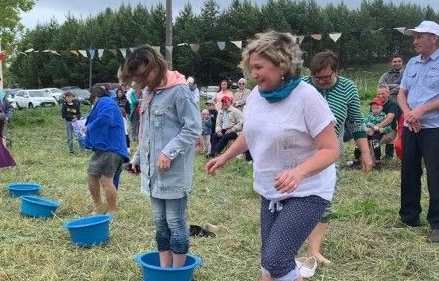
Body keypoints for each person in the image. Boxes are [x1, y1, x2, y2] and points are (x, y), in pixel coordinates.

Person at [205, 32, 339, 281]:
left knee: (276, 259)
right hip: (271, 190)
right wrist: (225, 156)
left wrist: (299, 172)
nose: (253, 74)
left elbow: (331, 149)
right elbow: (250, 133)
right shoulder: (257, 95)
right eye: (250, 67)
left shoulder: (307, 97)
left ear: (282, 65)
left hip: (307, 191)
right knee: (270, 262)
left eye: (259, 67)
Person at [120, 45, 201, 268]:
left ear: (157, 64)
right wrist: (136, 159)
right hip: (152, 173)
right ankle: (164, 270)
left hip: (173, 172)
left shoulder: (180, 91)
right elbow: (146, 133)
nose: (142, 81)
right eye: (138, 77)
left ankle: (177, 271)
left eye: (145, 75)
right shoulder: (149, 93)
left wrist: (169, 151)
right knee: (160, 224)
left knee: (176, 222)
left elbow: (193, 127)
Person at [303, 50, 373, 264]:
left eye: (326, 77)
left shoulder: (348, 88)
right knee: (299, 198)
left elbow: (356, 123)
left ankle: (314, 250)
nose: (322, 82)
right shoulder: (303, 86)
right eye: (317, 77)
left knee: (325, 200)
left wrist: (366, 152)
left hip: (331, 155)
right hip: (302, 153)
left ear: (336, 71)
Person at [397, 20, 439, 242]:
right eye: (414, 36)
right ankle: (409, 217)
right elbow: (401, 94)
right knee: (409, 171)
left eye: (419, 36)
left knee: (435, 174)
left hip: (435, 128)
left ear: (434, 39)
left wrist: (420, 111)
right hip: (411, 126)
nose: (415, 40)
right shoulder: (412, 63)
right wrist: (410, 114)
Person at [83, 84, 128, 214]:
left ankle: (112, 210)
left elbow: (104, 119)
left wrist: (89, 128)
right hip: (105, 148)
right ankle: (98, 206)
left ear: (96, 97)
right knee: (92, 176)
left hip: (111, 148)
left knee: (105, 180)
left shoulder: (106, 103)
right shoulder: (107, 103)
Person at [361, 98, 392, 162]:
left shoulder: (384, 116)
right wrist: (373, 126)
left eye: (377, 108)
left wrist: (382, 129)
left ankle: (377, 159)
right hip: (369, 131)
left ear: (381, 108)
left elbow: (389, 127)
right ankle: (358, 157)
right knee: (362, 140)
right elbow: (365, 121)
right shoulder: (369, 115)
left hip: (377, 132)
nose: (375, 110)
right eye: (373, 108)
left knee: (375, 142)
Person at [375, 85, 400, 158]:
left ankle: (374, 160)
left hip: (390, 130)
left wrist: (377, 126)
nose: (380, 96)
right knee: (366, 139)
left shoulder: (392, 104)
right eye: (379, 94)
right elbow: (370, 117)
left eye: (383, 94)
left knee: (374, 142)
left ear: (388, 93)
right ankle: (387, 156)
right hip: (377, 129)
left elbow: (389, 119)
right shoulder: (375, 103)